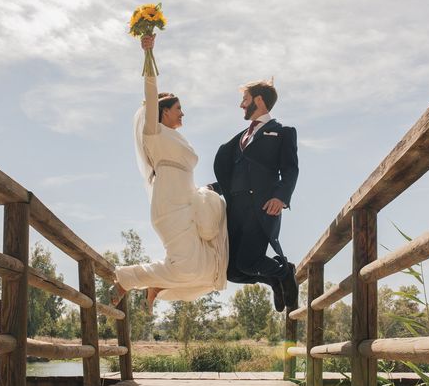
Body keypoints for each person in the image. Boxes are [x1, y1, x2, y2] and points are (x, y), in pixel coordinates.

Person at [113, 35, 228, 311]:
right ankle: (126, 279)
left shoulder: (179, 140)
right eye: (178, 109)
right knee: (188, 266)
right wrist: (149, 53)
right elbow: (151, 92)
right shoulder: (154, 133)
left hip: (188, 204)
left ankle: (155, 284)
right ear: (162, 112)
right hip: (168, 204)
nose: (183, 113)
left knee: (205, 269)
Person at [209, 79, 299, 312]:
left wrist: (281, 197)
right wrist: (214, 188)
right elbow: (238, 176)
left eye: (245, 100)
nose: (241, 105)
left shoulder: (282, 133)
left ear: (258, 100)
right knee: (232, 272)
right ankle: (273, 281)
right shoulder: (240, 137)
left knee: (249, 262)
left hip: (261, 208)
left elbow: (290, 169)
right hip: (235, 211)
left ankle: (284, 272)